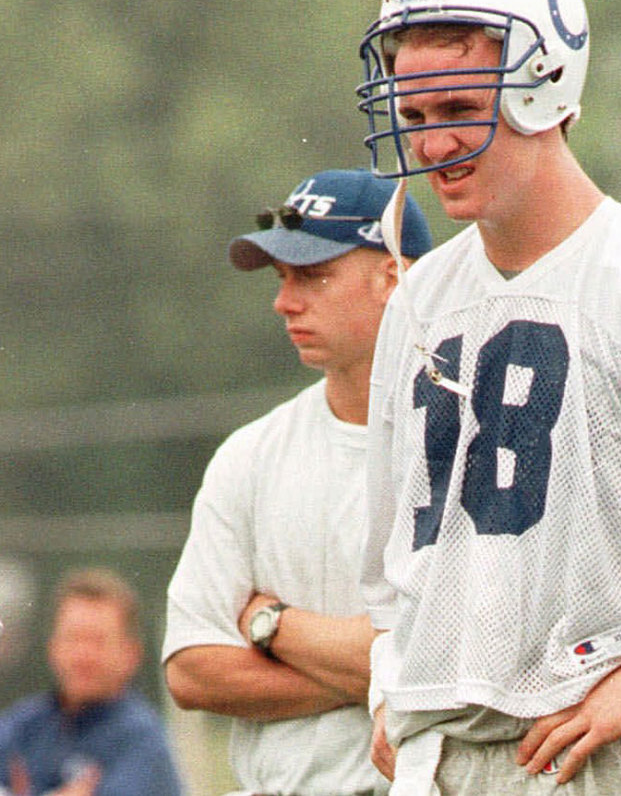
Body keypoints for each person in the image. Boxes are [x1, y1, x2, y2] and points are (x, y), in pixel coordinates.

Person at [353, 0, 621, 795]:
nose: (429, 146)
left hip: (587, 751)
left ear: (545, 88)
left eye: (458, 109)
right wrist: (393, 683)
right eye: (415, 115)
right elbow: (396, 551)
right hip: (436, 756)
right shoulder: (421, 300)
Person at [161, 169, 432, 796]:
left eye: (313, 275)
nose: (285, 302)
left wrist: (272, 627)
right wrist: (387, 679)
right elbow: (194, 670)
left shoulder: (468, 441)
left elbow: (470, 657)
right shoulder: (251, 454)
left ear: (394, 277)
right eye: (283, 279)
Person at [0, 567, 185, 796]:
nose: (83, 656)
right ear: (52, 645)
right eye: (73, 638)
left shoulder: (140, 739)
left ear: (132, 654)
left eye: (98, 641)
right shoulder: (22, 726)